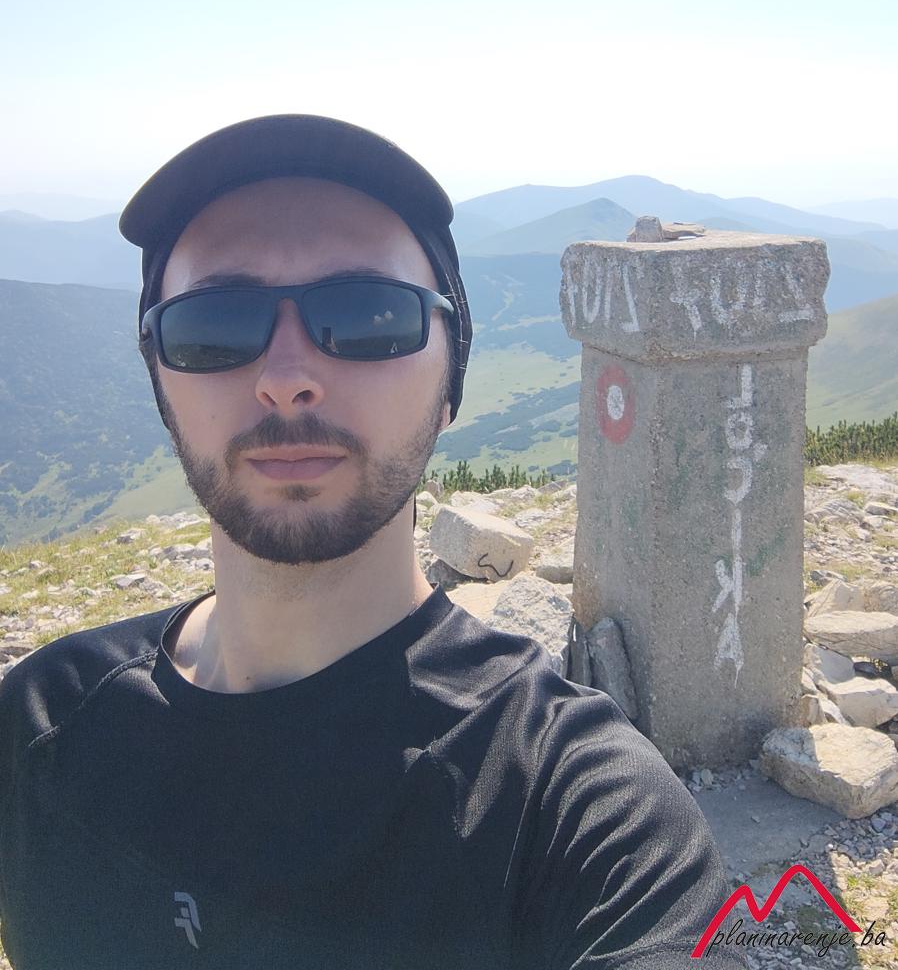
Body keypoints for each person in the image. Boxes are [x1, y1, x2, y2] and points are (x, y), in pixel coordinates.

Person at [0, 115, 746, 968]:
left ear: (450, 377)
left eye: (367, 317)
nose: (286, 378)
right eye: (214, 325)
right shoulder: (38, 725)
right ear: (158, 376)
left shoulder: (580, 813)